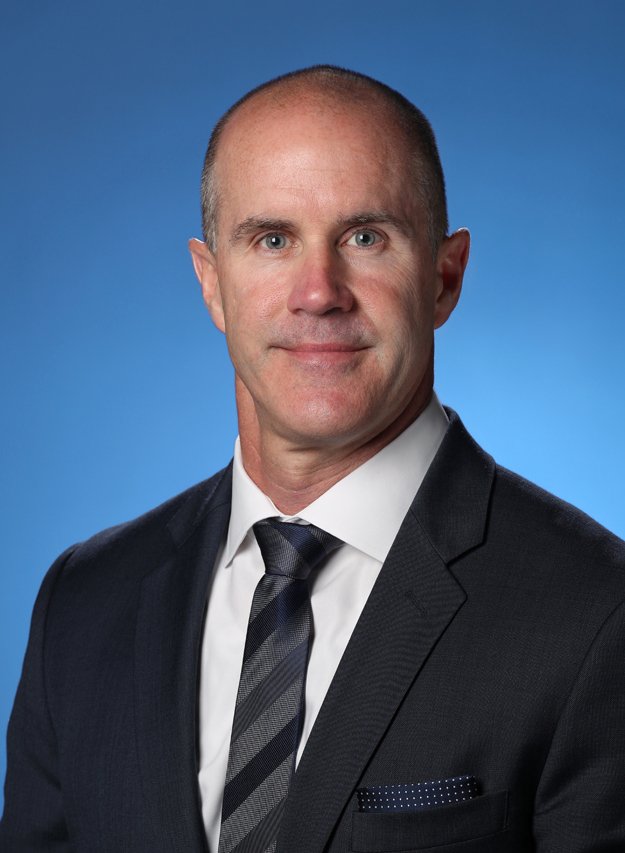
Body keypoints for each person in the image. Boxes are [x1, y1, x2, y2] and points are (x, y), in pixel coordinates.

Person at [2, 65, 625, 853]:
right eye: (271, 239)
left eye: (365, 237)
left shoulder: (597, 614)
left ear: (443, 275)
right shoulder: (83, 604)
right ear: (211, 284)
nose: (318, 291)